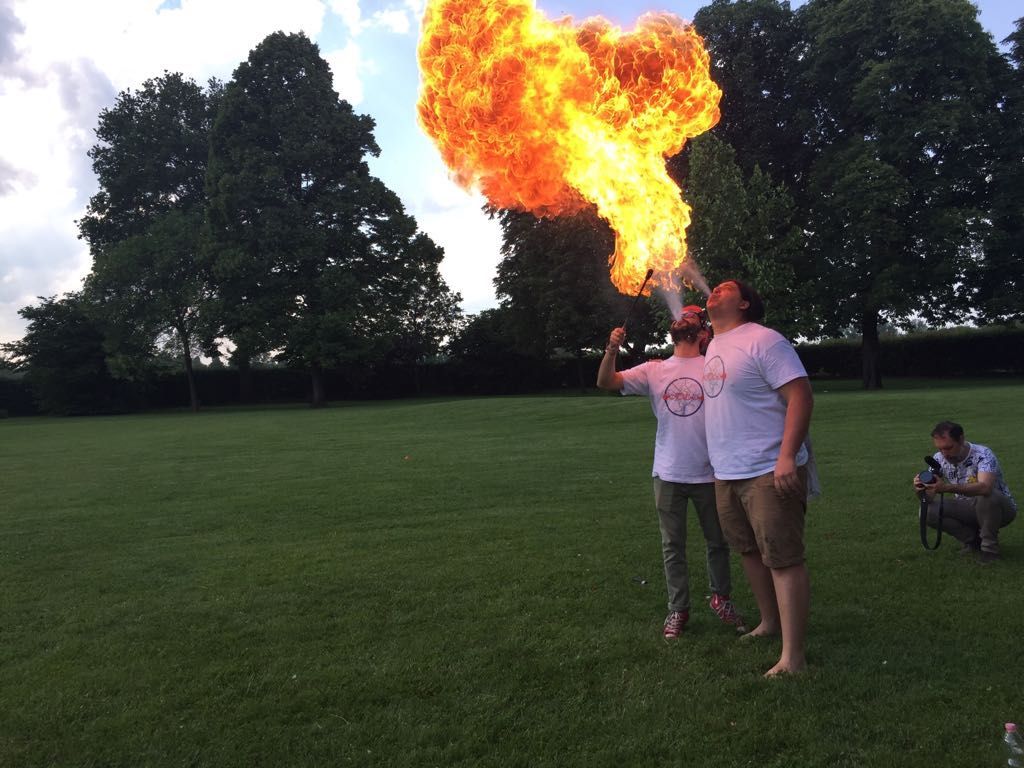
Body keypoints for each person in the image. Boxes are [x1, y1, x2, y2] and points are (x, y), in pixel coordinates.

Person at [597, 307, 746, 639]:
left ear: (703, 333)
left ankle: (721, 598)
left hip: (710, 473)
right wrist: (611, 349)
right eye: (683, 314)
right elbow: (606, 381)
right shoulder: (654, 370)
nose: (685, 315)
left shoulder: (714, 367)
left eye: (693, 315)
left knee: (718, 542)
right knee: (672, 545)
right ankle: (678, 610)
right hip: (667, 473)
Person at [701, 280, 813, 677]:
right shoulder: (713, 345)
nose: (714, 290)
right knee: (748, 550)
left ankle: (793, 657)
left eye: (726, 288)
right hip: (726, 470)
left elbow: (801, 395)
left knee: (782, 558)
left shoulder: (764, 340)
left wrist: (786, 457)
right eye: (713, 287)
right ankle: (769, 622)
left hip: (767, 467)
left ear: (744, 303)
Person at [914, 420, 1017, 563]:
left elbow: (985, 487)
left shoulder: (983, 454)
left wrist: (947, 488)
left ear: (961, 439)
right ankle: (973, 541)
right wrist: (921, 491)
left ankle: (990, 551)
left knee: (986, 496)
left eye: (949, 448)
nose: (944, 454)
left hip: (1000, 509)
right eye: (940, 449)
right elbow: (929, 498)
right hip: (968, 508)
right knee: (928, 511)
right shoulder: (938, 459)